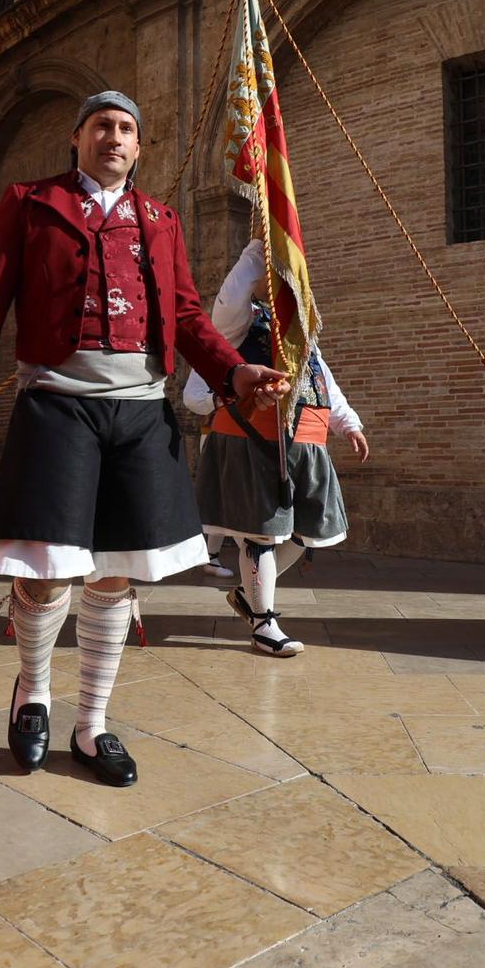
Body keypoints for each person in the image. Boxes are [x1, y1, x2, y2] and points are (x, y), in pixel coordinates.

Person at [0, 90, 289, 787]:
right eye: (102, 125)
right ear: (77, 138)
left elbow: (187, 314)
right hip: (58, 406)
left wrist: (235, 368)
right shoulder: (29, 202)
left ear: (138, 146)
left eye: (127, 128)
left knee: (116, 573)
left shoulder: (160, 219)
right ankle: (33, 693)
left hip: (139, 412)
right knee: (43, 571)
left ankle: (91, 724)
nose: (114, 137)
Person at [182, 237, 369, 656]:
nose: (283, 287)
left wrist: (348, 423)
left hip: (307, 441)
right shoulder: (238, 324)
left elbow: (325, 382)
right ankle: (263, 621)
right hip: (254, 440)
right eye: (278, 278)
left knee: (311, 530)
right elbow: (229, 301)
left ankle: (250, 598)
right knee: (259, 534)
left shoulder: (301, 334)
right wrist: (258, 250)